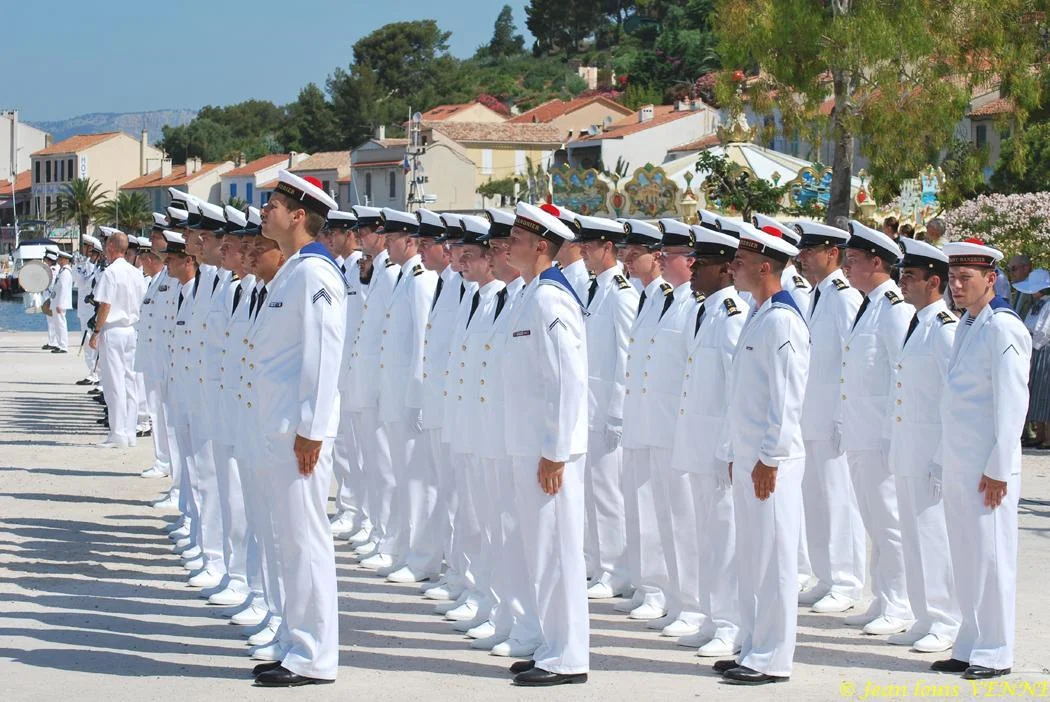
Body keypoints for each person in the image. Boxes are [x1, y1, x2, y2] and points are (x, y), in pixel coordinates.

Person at [246, 170, 346, 687]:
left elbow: (325, 354)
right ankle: (294, 642)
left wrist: (312, 428)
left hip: (298, 432)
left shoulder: (315, 274)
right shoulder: (293, 270)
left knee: (305, 540)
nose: (265, 212)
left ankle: (314, 655)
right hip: (280, 426)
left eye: (273, 205)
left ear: (299, 215)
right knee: (288, 539)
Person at [715, 221, 809, 685]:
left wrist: (771, 457)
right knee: (752, 557)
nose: (732, 268)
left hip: (772, 461)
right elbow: (744, 394)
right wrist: (737, 450)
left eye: (741, 261)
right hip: (752, 456)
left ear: (765, 267)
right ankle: (752, 646)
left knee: (774, 561)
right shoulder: (759, 313)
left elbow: (786, 398)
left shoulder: (784, 319)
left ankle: (773, 657)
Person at [933, 239, 1031, 681]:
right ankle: (970, 642)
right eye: (952, 277)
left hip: (987, 468)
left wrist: (998, 468)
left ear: (991, 279)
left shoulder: (1003, 328)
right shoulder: (970, 322)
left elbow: (1012, 404)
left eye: (965, 278)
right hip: (962, 462)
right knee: (967, 556)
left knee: (991, 558)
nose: (956, 285)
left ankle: (995, 651)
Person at [502, 202, 589, 687]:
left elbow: (566, 380)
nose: (507, 244)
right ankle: (552, 646)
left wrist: (555, 451)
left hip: (548, 451)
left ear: (540, 246)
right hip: (531, 445)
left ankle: (568, 656)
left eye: (516, 238)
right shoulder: (531, 294)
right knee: (541, 551)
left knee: (557, 551)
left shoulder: (551, 299)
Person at [670, 225, 746, 657]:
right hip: (698, 443)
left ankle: (731, 623)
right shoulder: (703, 311)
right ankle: (712, 616)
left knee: (724, 536)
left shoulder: (733, 315)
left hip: (719, 449)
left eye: (703, 263)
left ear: (725, 270)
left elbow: (738, 389)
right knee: (705, 534)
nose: (693, 268)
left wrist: (730, 447)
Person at [838, 220, 914, 636]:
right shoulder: (868, 306)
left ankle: (900, 603)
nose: (847, 267)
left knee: (890, 522)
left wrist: (892, 437)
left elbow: (902, 376)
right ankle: (882, 596)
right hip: (860, 433)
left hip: (881, 438)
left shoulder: (895, 310)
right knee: (874, 520)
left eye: (853, 260)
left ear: (877, 262)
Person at [888, 238, 960, 654]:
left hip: (931, 454)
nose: (902, 282)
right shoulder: (917, 324)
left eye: (910, 276)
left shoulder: (945, 330)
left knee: (934, 538)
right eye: (902, 274)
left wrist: (943, 457)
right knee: (913, 536)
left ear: (934, 282)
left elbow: (954, 401)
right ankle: (924, 615)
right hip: (908, 450)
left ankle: (946, 620)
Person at [792, 221, 866, 615]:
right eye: (802, 251)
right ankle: (825, 576)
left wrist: (842, 417)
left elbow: (851, 360)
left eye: (811, 250)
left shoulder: (843, 297)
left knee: (839, 501)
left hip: (832, 418)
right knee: (817, 500)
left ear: (832, 254)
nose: (802, 257)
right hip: (811, 415)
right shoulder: (815, 295)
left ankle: (847, 581)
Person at [575, 214, 636, 601]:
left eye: (590, 245)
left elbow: (627, 357)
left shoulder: (621, 293)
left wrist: (617, 412)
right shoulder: (593, 288)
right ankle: (598, 564)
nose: (583, 251)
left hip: (607, 413)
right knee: (592, 492)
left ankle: (616, 570)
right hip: (589, 409)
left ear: (608, 248)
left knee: (608, 494)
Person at [89, 231, 147, 448]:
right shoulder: (135, 272)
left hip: (113, 330)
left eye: (107, 245)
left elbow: (105, 304)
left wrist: (96, 332)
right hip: (131, 330)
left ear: (112, 247)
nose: (105, 249)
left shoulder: (111, 272)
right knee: (130, 383)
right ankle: (130, 432)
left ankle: (118, 433)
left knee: (113, 383)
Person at [1015, 268, 1050, 448]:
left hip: (1043, 351)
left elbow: (1044, 332)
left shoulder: (1048, 305)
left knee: (1044, 392)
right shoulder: (1036, 305)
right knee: (1035, 392)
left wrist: (1032, 346)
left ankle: (1048, 436)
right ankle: (1040, 433)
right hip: (1033, 349)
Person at [51, 251, 74, 353]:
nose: (58, 260)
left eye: (61, 258)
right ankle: (59, 344)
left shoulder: (65, 272)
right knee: (57, 324)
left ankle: (63, 346)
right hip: (56, 301)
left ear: (66, 260)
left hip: (60, 303)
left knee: (61, 324)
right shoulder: (62, 271)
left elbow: (64, 289)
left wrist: (60, 304)